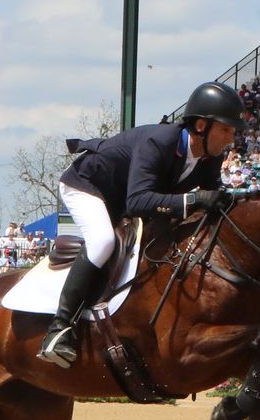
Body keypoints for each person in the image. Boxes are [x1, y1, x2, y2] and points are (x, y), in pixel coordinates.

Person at [37, 81, 242, 367]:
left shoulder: (210, 157)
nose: (230, 138)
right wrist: (194, 200)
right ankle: (60, 329)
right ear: (200, 127)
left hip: (125, 197)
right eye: (225, 129)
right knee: (103, 241)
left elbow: (209, 201)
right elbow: (138, 202)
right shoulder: (159, 142)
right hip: (88, 186)